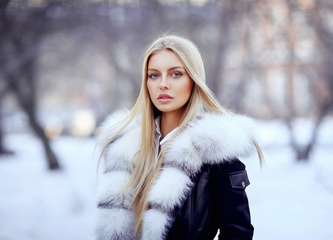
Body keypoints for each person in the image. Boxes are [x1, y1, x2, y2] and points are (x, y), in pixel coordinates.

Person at [95, 35, 263, 240]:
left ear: (193, 80)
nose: (163, 84)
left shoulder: (213, 151)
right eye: (154, 75)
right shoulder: (123, 148)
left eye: (176, 74)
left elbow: (237, 233)